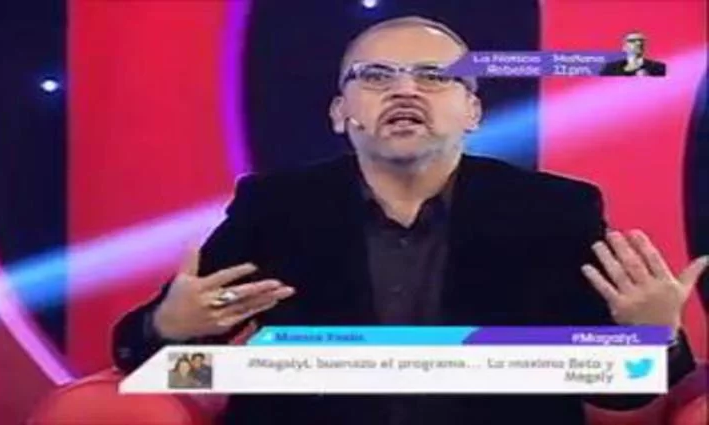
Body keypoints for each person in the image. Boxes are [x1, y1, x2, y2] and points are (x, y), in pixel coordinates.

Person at [113, 16, 705, 425]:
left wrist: (654, 337)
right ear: (340, 113)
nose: (405, 91)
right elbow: (154, 357)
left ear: (472, 110)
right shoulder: (276, 207)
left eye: (434, 76)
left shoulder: (554, 211)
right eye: (375, 77)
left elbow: (620, 395)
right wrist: (167, 326)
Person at [600, 32, 667, 76]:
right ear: (624, 47)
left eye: (641, 40)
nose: (639, 43)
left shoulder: (660, 68)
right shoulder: (609, 69)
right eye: (632, 41)